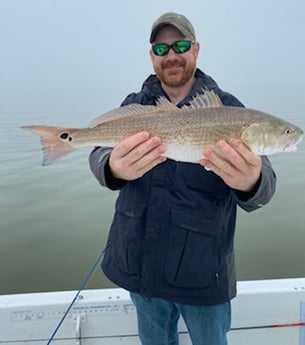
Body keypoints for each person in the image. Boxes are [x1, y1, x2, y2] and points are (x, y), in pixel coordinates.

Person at [89, 12, 276, 345]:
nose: (171, 55)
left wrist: (252, 180)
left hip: (203, 275)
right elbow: (100, 151)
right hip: (140, 269)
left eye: (181, 45)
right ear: (152, 57)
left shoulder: (229, 110)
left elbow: (266, 186)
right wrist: (113, 168)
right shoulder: (136, 105)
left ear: (196, 50)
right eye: (161, 50)